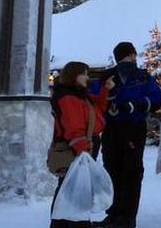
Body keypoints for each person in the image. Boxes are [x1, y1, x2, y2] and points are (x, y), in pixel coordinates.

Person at [95, 41, 161, 228]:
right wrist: (110, 104)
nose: (132, 58)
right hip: (117, 128)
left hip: (130, 127)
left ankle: (126, 217)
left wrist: (135, 105)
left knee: (128, 172)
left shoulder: (140, 77)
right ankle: (115, 214)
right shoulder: (112, 77)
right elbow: (96, 99)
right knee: (116, 171)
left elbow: (156, 99)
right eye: (130, 55)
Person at [50, 61, 112, 228]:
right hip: (75, 147)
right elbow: (73, 126)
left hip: (85, 145)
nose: (87, 77)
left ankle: (74, 222)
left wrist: (106, 89)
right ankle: (67, 223)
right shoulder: (68, 98)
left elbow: (97, 109)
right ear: (73, 75)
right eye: (83, 73)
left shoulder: (80, 95)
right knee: (70, 186)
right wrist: (82, 150)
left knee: (77, 186)